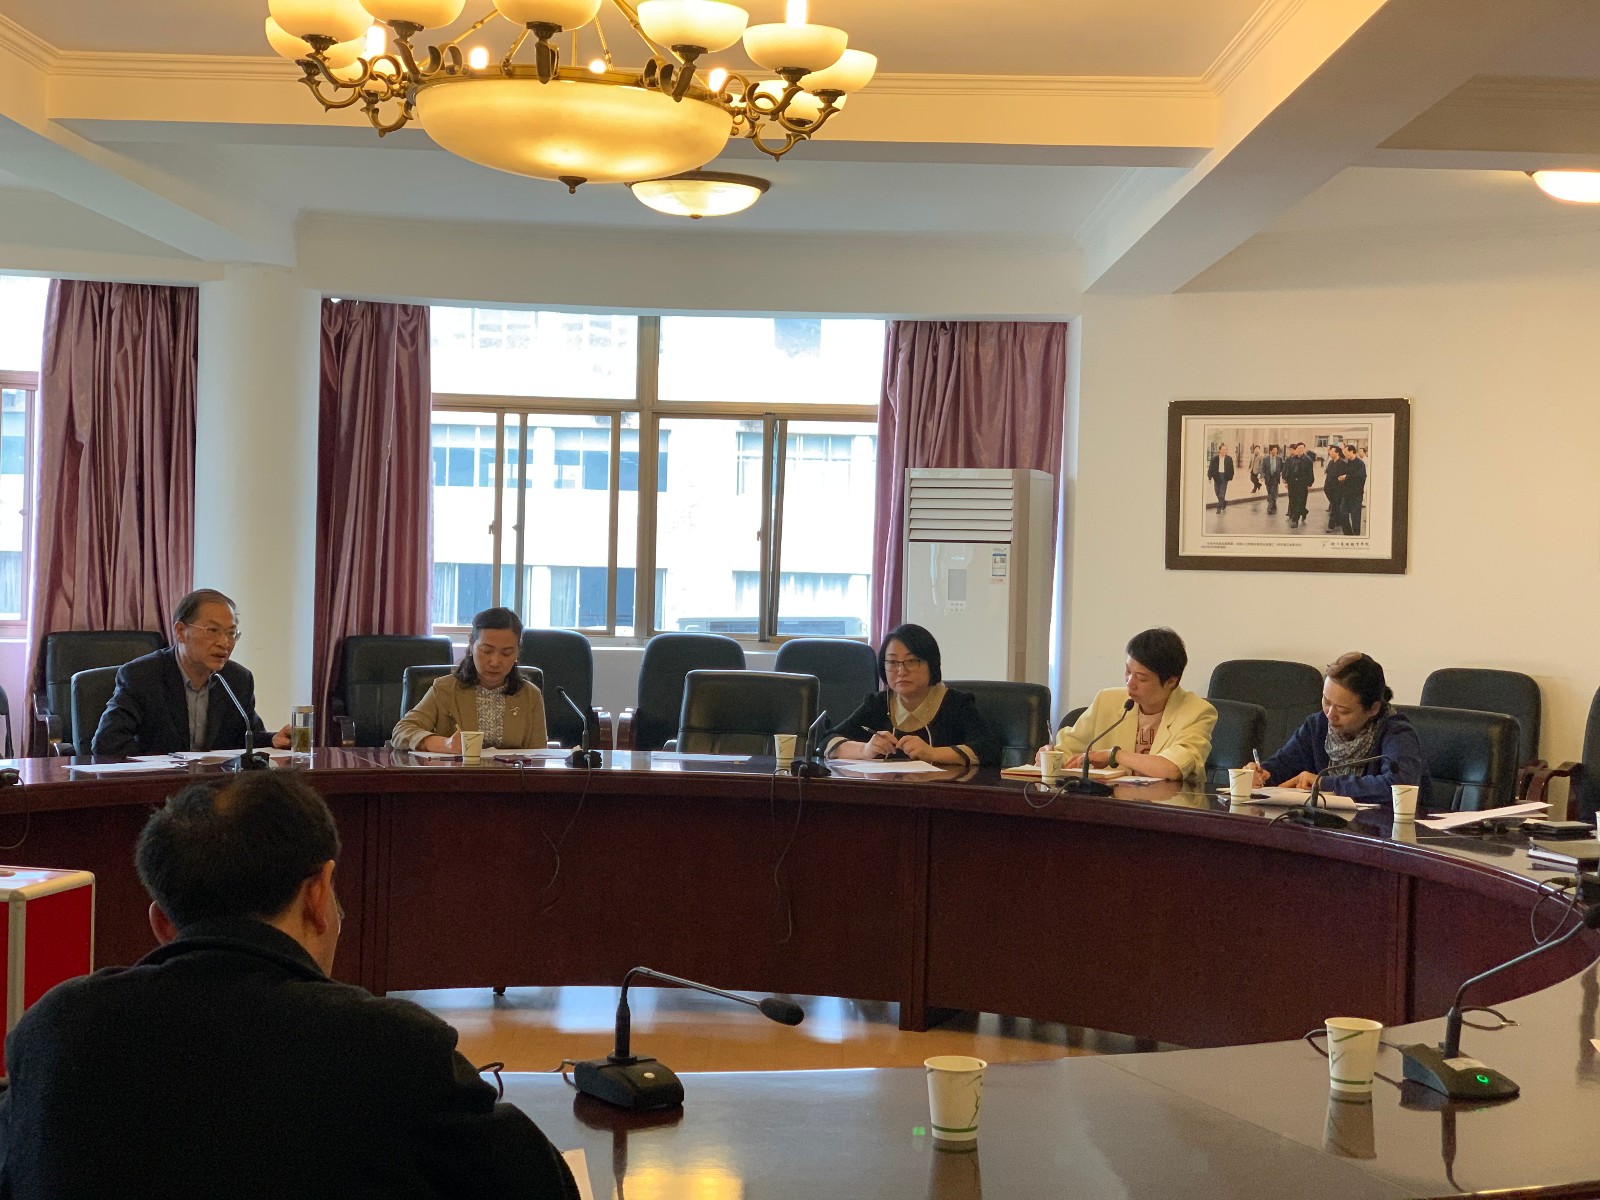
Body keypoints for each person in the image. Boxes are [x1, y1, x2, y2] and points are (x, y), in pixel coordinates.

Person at [0, 771, 579, 1199]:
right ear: (319, 895)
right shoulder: (389, 1044)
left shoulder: (55, 1029)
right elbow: (543, 1189)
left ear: (162, 924)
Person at [91, 588, 290, 757]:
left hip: (215, 785)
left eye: (231, 633)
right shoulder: (142, 676)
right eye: (213, 631)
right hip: (158, 785)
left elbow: (246, 737)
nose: (224, 643)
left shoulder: (238, 679)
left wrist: (273, 740)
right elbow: (108, 743)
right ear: (180, 631)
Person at [1250, 652, 1431, 807]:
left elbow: (1399, 786)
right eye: (1326, 701)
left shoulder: (1396, 732)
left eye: (1343, 710)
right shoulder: (1317, 726)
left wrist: (1324, 783)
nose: (1330, 714)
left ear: (1373, 709)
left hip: (1383, 831)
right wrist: (1259, 774)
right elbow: (1281, 766)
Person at [1048, 628, 1216, 782]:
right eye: (1128, 671)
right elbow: (1067, 751)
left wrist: (1114, 755)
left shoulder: (1197, 712)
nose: (1130, 683)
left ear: (1171, 681)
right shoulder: (1106, 700)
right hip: (1111, 800)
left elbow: (1172, 769)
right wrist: (1051, 756)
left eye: (1141, 678)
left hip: (1168, 802)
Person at [825, 623, 1000, 766]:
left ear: (931, 664)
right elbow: (827, 740)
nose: (901, 671)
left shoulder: (956, 704)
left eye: (912, 661)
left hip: (942, 793)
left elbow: (989, 749)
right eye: (892, 662)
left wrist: (933, 753)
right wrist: (864, 750)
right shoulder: (877, 704)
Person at [393, 606, 548, 752]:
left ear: (517, 652)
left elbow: (539, 755)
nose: (495, 662)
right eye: (486, 650)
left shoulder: (530, 696)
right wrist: (445, 744)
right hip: (457, 772)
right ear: (471, 644)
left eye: (506, 653)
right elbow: (402, 731)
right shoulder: (445, 689)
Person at [1283, 442, 1314, 528]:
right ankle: (1301, 514)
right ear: (1296, 449)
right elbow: (1288, 471)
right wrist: (1286, 481)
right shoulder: (1292, 459)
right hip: (1292, 484)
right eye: (1299, 448)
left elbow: (1310, 473)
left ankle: (1296, 519)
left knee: (1300, 502)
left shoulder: (1307, 460)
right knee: (1293, 502)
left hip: (1302, 484)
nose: (1300, 450)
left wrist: (1310, 484)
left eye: (1302, 448)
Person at [1340, 446, 1367, 535]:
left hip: (1356, 494)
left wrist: (1346, 477)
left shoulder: (1360, 463)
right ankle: (1348, 534)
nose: (1345, 455)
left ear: (1351, 451)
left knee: (1355, 517)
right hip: (1346, 493)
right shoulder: (1347, 463)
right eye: (1344, 453)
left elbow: (1360, 477)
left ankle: (1356, 535)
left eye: (1346, 452)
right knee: (1342, 513)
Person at [1323, 445, 1346, 532]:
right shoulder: (1330, 462)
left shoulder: (1342, 464)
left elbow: (1343, 478)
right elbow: (1328, 475)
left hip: (1337, 489)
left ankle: (1331, 526)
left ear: (1337, 453)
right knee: (1335, 506)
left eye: (1332, 451)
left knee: (1334, 506)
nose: (1330, 453)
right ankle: (1339, 521)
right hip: (1329, 488)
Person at [1206, 444, 1235, 511]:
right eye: (1223, 449)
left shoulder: (1229, 459)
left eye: (1225, 449)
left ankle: (1219, 508)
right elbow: (1211, 468)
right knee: (1217, 491)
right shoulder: (1215, 459)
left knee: (1222, 493)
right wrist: (1209, 477)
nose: (1224, 451)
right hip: (1217, 476)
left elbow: (1231, 468)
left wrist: (1231, 476)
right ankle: (1224, 502)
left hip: (1225, 477)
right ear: (1220, 450)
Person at [1260, 443, 1283, 515]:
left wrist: (1281, 473)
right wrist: (1262, 476)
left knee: (1273, 492)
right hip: (1268, 478)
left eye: (1276, 450)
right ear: (1270, 451)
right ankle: (1274, 503)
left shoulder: (1279, 459)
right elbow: (1262, 468)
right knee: (1269, 492)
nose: (1275, 452)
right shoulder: (1265, 459)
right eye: (1274, 450)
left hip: (1275, 477)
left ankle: (1269, 508)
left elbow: (1283, 467)